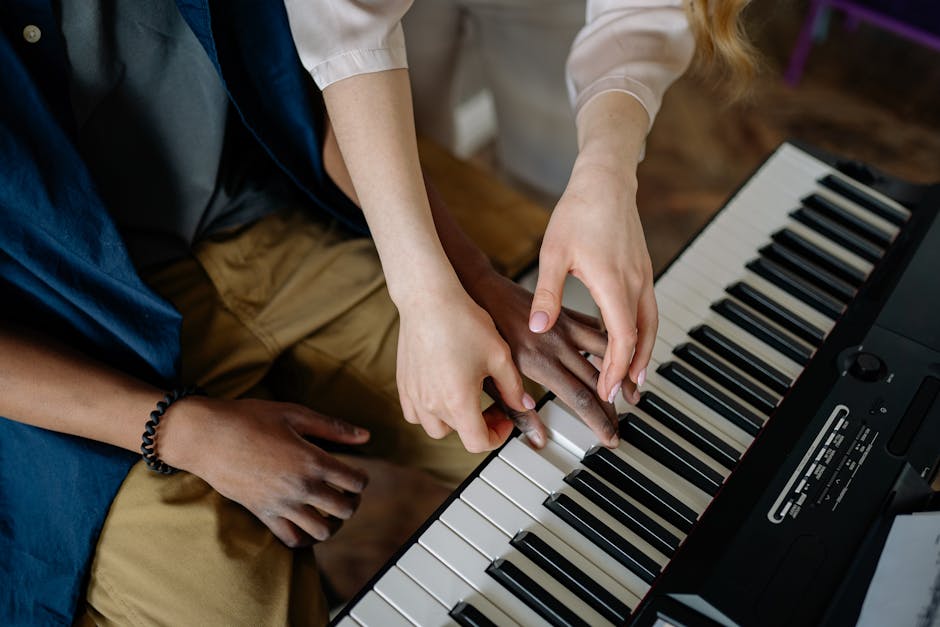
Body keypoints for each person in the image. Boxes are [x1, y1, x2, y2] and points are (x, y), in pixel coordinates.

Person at [0, 1, 754, 625]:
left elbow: (312, 92)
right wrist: (178, 427)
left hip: (264, 221)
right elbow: (350, 36)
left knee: (580, 421)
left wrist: (477, 284)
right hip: (71, 332)